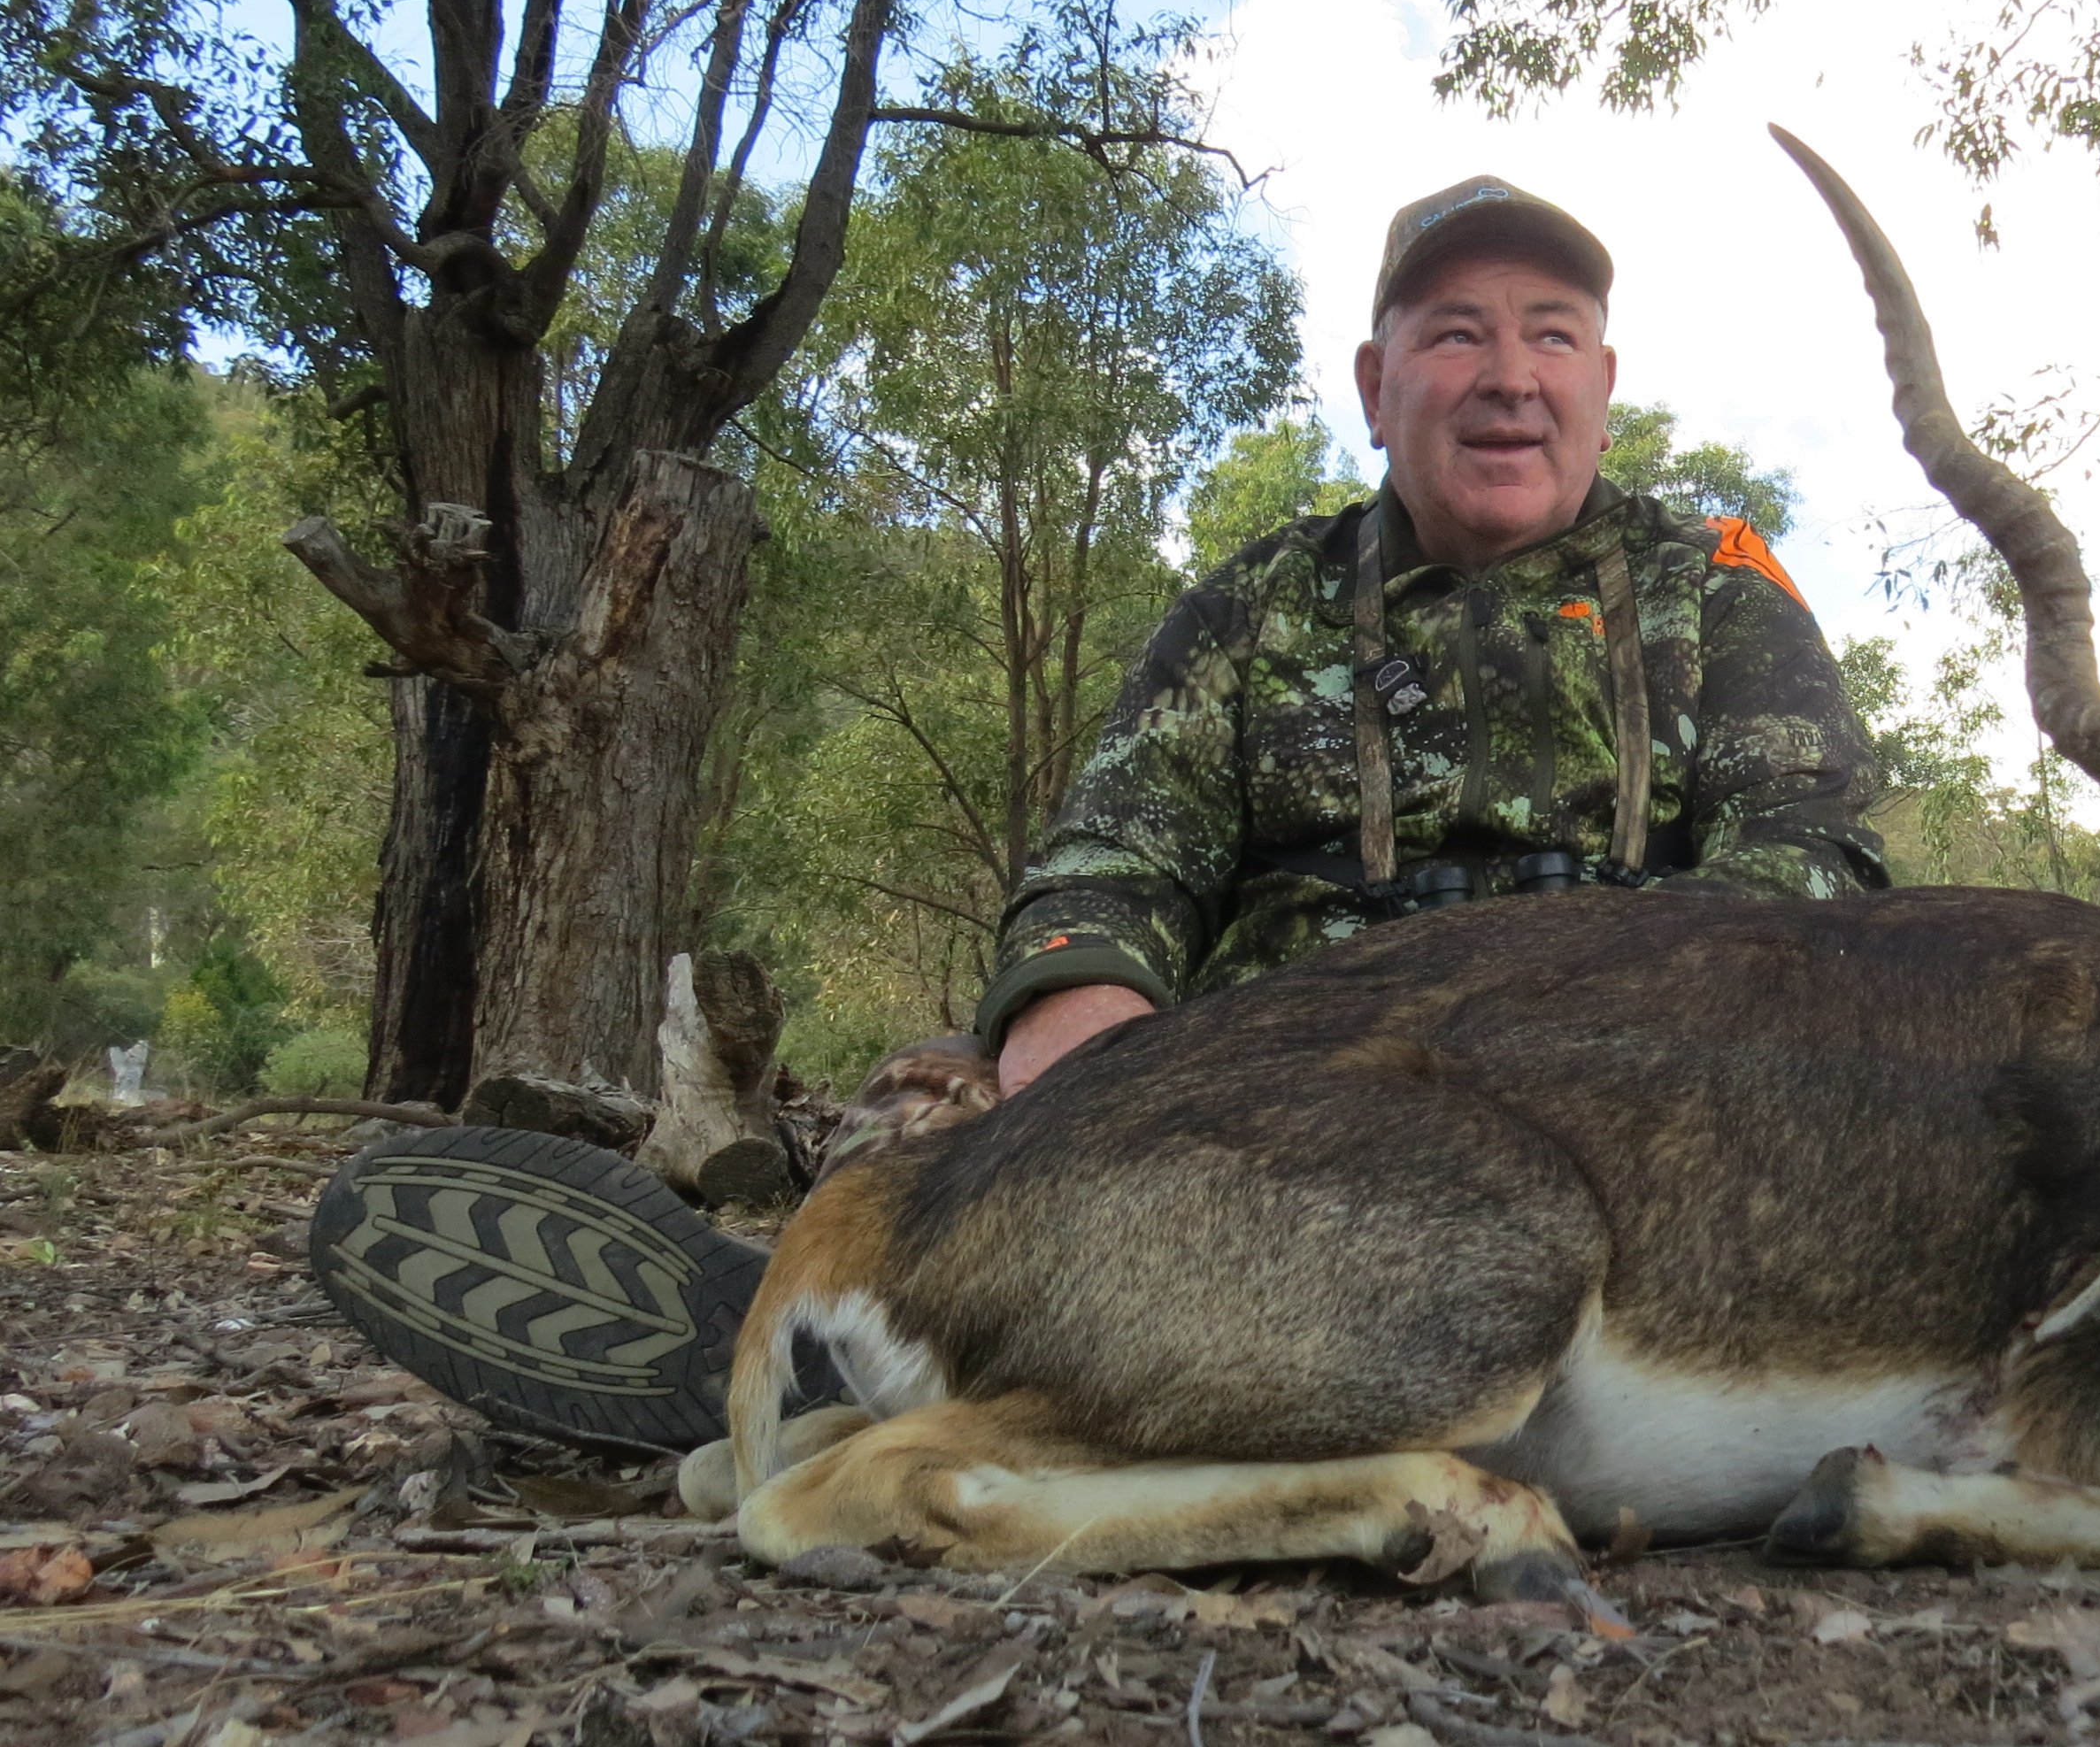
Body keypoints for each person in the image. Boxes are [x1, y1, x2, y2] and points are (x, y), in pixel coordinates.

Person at [309, 176, 1893, 1449]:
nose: (1508, 377)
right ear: (1375, 380)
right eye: (1456, 332)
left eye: (1552, 336)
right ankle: (794, 1324)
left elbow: (1806, 873)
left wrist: (1581, 1052)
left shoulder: (1718, 589)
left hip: (1621, 1115)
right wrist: (1082, 1022)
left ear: (1604, 384)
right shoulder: (1258, 603)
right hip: (1273, 1106)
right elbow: (1112, 856)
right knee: (935, 1110)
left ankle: (938, 1371)